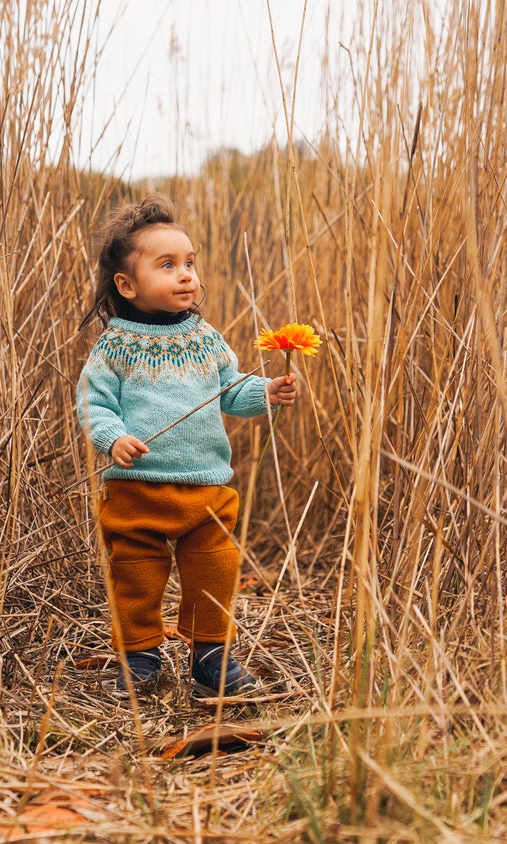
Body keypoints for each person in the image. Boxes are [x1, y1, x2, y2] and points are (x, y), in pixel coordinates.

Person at [77, 194, 297, 698]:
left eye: (190, 263)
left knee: (215, 568)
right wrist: (113, 439)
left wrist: (265, 392)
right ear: (127, 285)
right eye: (168, 265)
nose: (186, 275)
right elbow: (94, 403)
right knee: (136, 574)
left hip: (207, 488)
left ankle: (211, 656)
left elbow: (231, 392)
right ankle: (141, 656)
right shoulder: (115, 345)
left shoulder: (206, 337)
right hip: (138, 490)